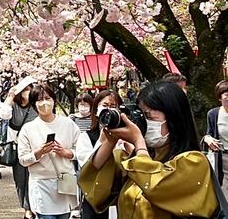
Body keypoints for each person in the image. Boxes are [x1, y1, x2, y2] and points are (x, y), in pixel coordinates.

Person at [79, 80, 219, 219]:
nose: (144, 123)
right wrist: (110, 140)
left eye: (149, 116)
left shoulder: (194, 162)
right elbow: (96, 183)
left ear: (174, 119)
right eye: (141, 116)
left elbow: (156, 186)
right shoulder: (137, 159)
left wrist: (138, 142)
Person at [16, 84, 80, 219]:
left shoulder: (68, 124)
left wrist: (67, 153)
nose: (44, 102)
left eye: (47, 98)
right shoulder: (28, 129)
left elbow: (81, 151)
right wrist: (39, 152)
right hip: (41, 185)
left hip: (65, 183)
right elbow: (22, 159)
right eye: (39, 100)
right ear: (34, 104)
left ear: (54, 100)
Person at [73, 90, 122, 219]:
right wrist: (102, 142)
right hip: (94, 199)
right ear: (96, 110)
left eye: (113, 106)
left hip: (119, 198)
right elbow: (87, 166)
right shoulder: (86, 137)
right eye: (104, 106)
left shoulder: (125, 137)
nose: (109, 110)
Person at [0, 76, 38, 219]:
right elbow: (4, 114)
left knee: (34, 177)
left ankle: (33, 207)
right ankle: (26, 207)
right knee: (21, 179)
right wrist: (10, 97)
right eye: (26, 89)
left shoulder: (36, 105)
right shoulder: (14, 106)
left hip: (35, 146)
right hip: (18, 147)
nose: (28, 92)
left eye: (30, 89)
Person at [201, 79, 228, 198]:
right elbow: (209, 133)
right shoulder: (213, 114)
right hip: (224, 159)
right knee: (224, 193)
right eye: (227, 95)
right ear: (220, 98)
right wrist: (207, 138)